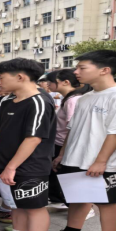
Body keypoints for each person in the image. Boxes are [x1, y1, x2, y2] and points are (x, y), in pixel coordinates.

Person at [46, 50, 116, 231]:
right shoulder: (85, 97)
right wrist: (62, 154)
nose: (76, 72)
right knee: (78, 197)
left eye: (82, 67)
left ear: (105, 70)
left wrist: (101, 161)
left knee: (106, 201)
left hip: (103, 162)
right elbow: (72, 129)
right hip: (76, 157)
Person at [0, 58, 57, 231]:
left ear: (21, 77)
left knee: (34, 206)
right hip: (6, 163)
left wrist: (11, 167)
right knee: (17, 204)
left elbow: (34, 138)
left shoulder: (39, 102)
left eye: (0, 78)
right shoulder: (8, 102)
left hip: (30, 166)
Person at [45, 69, 93, 209]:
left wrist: (62, 153)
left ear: (65, 82)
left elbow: (73, 127)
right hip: (62, 143)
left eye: (51, 81)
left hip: (66, 145)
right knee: (58, 175)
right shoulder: (68, 99)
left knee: (68, 177)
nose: (47, 84)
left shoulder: (73, 100)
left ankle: (83, 208)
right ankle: (61, 201)